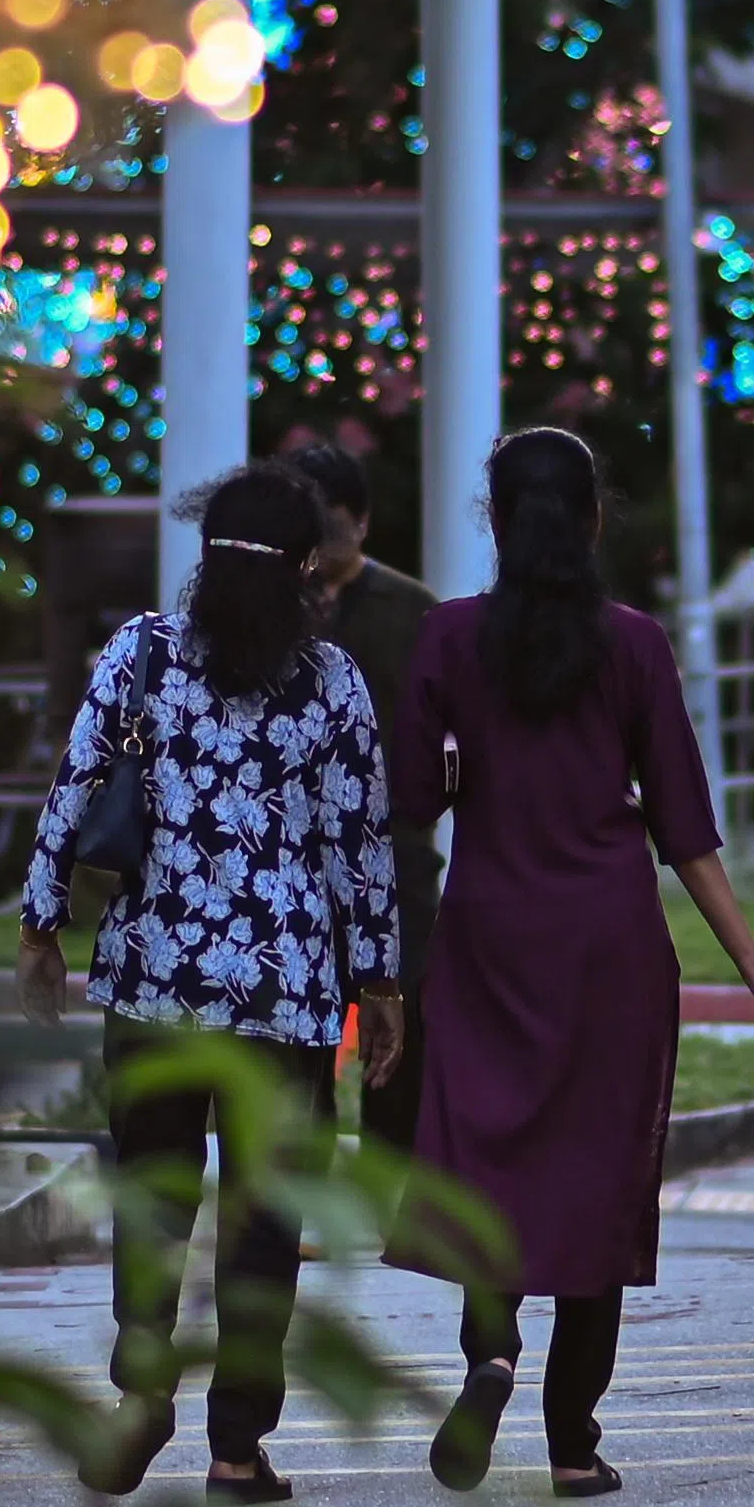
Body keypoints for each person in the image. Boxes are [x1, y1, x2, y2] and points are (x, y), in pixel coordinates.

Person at [386, 430, 754, 1495]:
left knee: (490, 1161)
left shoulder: (446, 640)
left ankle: (489, 1356)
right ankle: (575, 1442)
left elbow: (408, 800)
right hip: (609, 944)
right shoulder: (633, 644)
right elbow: (685, 825)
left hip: (490, 935)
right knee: (600, 1179)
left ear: (493, 519)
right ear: (593, 518)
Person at [15, 459, 401, 1502]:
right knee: (265, 1217)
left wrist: (41, 925)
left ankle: (142, 1392)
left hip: (154, 980)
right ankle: (238, 1445)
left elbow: (78, 780)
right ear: (308, 565)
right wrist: (383, 981)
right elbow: (358, 844)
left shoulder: (143, 653)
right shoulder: (332, 679)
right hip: (287, 995)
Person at [279, 433, 445, 1145]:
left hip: (394, 844)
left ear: (363, 522)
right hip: (291, 845)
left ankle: (389, 1181)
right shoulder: (275, 604)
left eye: (337, 521)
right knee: (296, 1026)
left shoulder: (412, 609)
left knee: (401, 1011)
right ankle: (302, 1182)